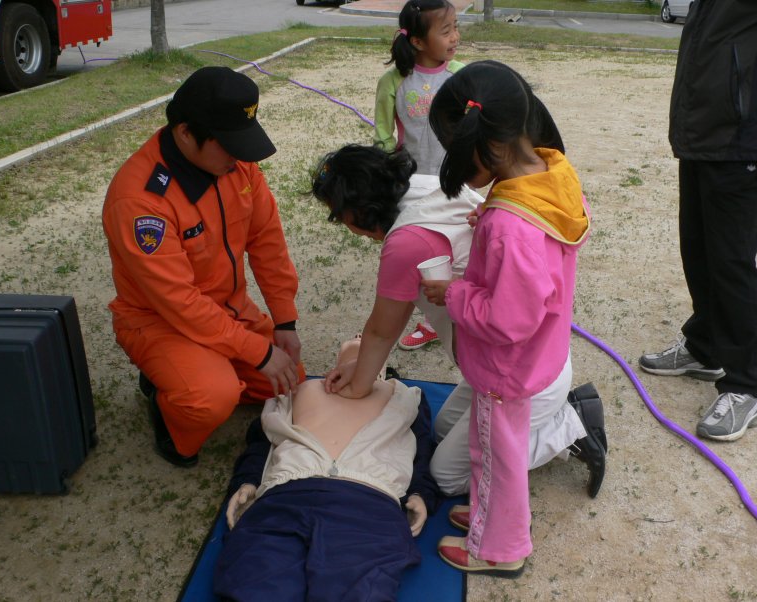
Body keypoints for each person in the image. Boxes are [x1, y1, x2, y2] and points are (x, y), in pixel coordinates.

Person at [311, 144, 605, 502]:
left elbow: (382, 329)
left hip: (519, 374)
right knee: (443, 430)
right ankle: (550, 415)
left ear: (355, 213)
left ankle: (571, 426)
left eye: (340, 219)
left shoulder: (406, 242)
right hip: (511, 361)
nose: (347, 229)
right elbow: (385, 329)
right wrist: (361, 367)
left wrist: (358, 387)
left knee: (448, 477)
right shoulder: (428, 184)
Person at [420, 60, 592, 576]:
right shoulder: (550, 173)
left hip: (509, 366)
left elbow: (506, 320)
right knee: (494, 451)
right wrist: (492, 220)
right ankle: (495, 518)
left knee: (494, 455)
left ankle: (500, 549)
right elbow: (538, 249)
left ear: (481, 142)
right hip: (539, 355)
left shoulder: (510, 226)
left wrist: (453, 293)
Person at [639, 1, 757, 442]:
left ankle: (745, 385)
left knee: (730, 262)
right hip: (704, 131)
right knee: (699, 249)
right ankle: (705, 347)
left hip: (746, 134)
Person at [102, 66, 303, 468]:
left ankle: (204, 370)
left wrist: (284, 322)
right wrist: (257, 352)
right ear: (185, 134)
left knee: (289, 380)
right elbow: (179, 303)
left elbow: (267, 242)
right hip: (160, 320)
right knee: (211, 398)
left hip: (227, 311)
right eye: (229, 145)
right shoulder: (141, 201)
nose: (241, 157)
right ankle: (169, 403)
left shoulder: (236, 166)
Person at [213, 337, 440, 602]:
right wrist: (247, 481)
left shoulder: (403, 395)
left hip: (366, 503)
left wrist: (421, 493)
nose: (360, 340)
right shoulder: (301, 389)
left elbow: (423, 447)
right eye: (353, 341)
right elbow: (264, 437)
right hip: (286, 494)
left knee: (357, 589)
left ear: (382, 367)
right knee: (255, 580)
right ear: (335, 365)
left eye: (367, 344)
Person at [375, 0, 462, 350]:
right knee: (414, 251)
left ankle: (442, 317)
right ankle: (402, 316)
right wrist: (391, 170)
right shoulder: (393, 80)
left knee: (452, 247)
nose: (455, 36)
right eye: (446, 31)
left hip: (454, 183)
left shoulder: (461, 74)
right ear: (417, 42)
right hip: (411, 186)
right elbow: (383, 131)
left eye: (456, 27)